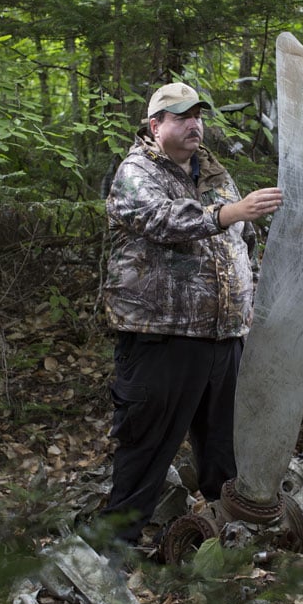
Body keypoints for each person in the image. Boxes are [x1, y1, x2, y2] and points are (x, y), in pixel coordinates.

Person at [101, 82, 282, 546]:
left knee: (225, 449)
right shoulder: (136, 171)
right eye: (180, 116)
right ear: (154, 124)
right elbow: (161, 220)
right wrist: (226, 212)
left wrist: (252, 300)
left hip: (224, 337)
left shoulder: (216, 174)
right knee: (146, 450)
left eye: (197, 115)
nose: (193, 124)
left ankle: (228, 536)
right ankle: (114, 554)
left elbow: (244, 243)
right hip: (162, 338)